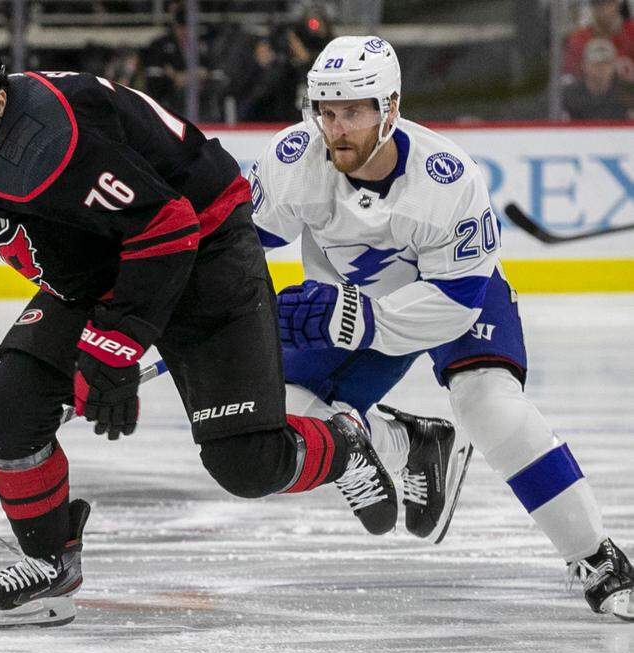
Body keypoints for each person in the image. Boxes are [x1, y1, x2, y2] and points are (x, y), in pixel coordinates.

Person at [0, 30, 456, 632]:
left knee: (247, 463)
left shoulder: (48, 142)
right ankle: (49, 567)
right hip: (106, 265)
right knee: (9, 408)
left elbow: (167, 226)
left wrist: (117, 343)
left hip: (204, 253)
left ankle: (350, 442)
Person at [249, 35, 633, 619]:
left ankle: (597, 557)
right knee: (279, 412)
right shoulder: (294, 160)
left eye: (353, 111)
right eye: (325, 112)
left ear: (391, 109)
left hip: (455, 300)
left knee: (489, 406)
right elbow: (236, 251)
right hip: (356, 307)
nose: (336, 128)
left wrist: (354, 318)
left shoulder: (446, 179)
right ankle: (407, 443)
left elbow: (454, 304)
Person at [563, 0, 634, 84]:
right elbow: (568, 77)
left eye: (608, 3)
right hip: (590, 95)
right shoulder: (579, 38)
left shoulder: (631, 32)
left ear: (617, 3)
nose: (603, 9)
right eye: (597, 4)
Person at [562, 38, 634, 120]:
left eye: (606, 63)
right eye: (595, 63)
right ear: (583, 65)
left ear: (614, 66)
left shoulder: (628, 92)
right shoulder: (569, 94)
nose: (601, 68)